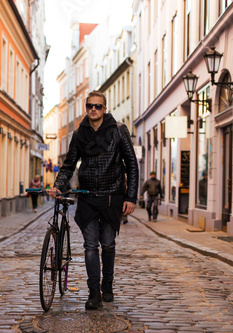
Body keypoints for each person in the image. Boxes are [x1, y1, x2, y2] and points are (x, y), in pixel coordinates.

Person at [47, 90, 138, 310]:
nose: (93, 110)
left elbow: (132, 164)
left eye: (98, 106)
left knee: (107, 244)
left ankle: (108, 285)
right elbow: (69, 165)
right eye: (90, 106)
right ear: (86, 108)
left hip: (112, 197)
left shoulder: (118, 130)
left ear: (104, 109)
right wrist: (58, 186)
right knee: (90, 246)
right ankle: (94, 293)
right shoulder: (79, 134)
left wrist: (131, 197)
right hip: (87, 197)